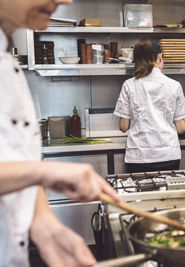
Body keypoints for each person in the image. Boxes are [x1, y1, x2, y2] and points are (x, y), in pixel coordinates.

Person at [0, 0, 120, 266]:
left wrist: (44, 224)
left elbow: (12, 160)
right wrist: (44, 172)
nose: (65, 1)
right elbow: (28, 170)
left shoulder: (7, 61)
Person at [114, 39, 185, 173]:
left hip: (139, 157)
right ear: (159, 57)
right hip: (168, 155)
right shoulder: (174, 85)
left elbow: (123, 127)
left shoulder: (129, 85)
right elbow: (180, 128)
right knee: (166, 193)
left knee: (140, 193)